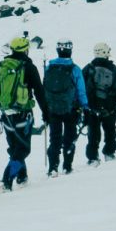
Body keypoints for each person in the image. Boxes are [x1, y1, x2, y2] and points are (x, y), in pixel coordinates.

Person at [0, 37, 46, 190]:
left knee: (15, 148)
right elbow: (39, 92)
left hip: (6, 115)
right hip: (23, 115)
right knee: (22, 150)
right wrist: (46, 113)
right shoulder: (28, 67)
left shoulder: (3, 66)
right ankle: (7, 179)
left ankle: (22, 176)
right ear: (26, 49)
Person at [42, 41, 88, 175]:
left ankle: (53, 167)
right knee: (69, 137)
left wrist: (45, 108)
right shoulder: (75, 69)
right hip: (71, 109)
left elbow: (45, 88)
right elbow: (81, 91)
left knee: (54, 138)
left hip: (53, 109)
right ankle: (67, 165)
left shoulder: (49, 68)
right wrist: (85, 106)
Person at [83, 43, 116, 163]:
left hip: (92, 108)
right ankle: (109, 152)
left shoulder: (88, 68)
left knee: (93, 133)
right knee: (110, 131)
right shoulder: (113, 69)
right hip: (110, 107)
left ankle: (93, 157)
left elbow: (81, 89)